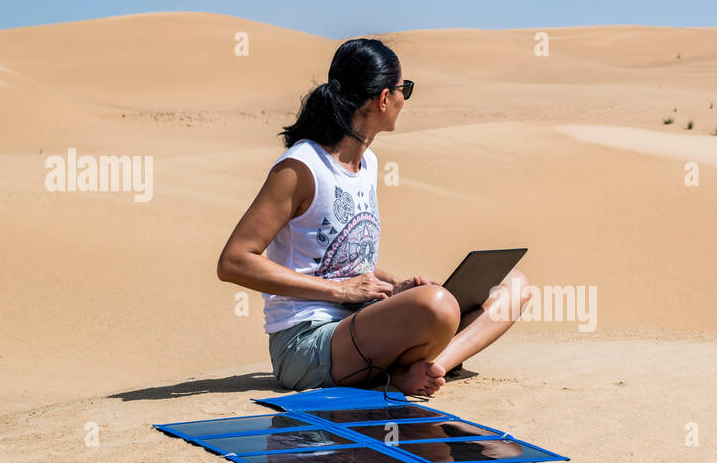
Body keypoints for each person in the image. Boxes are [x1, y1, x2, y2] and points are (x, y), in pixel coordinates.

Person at [217, 38, 528, 396]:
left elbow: (349, 259)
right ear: (383, 98)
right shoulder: (301, 167)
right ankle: (401, 374)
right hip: (307, 343)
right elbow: (234, 262)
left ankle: (433, 368)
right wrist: (339, 290)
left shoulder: (368, 163)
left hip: (364, 325)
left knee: (512, 283)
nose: (402, 99)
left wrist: (394, 286)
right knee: (437, 306)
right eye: (403, 89)